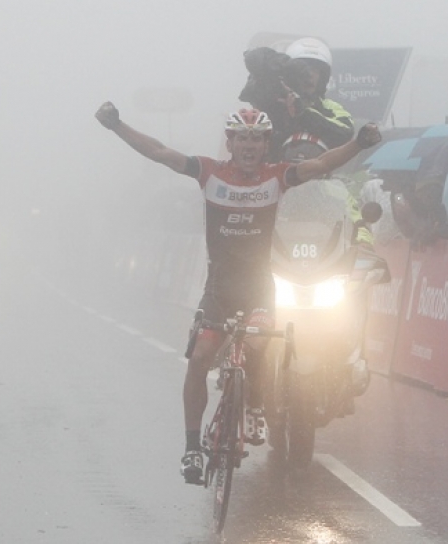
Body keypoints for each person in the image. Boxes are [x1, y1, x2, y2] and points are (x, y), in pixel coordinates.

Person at [95, 103, 381, 484]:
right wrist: (117, 126)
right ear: (229, 141)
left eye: (257, 138)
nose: (249, 145)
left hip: (259, 288)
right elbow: (159, 151)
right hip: (220, 290)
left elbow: (322, 164)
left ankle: (257, 407)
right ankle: (192, 448)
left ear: (266, 145)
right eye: (242, 137)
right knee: (199, 357)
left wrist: (359, 143)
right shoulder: (209, 172)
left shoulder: (277, 177)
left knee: (263, 342)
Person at [239, 37, 353, 161]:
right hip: (270, 175)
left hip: (316, 176)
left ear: (323, 77)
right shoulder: (273, 98)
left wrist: (302, 113)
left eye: (315, 70)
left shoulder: (330, 107)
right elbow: (254, 58)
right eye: (304, 70)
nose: (310, 75)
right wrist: (283, 64)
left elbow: (345, 133)